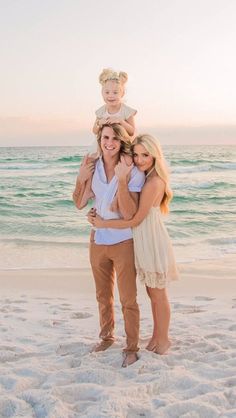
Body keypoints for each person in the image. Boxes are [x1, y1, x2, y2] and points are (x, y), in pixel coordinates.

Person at [88, 134, 179, 355]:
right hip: (144, 236)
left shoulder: (154, 182)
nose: (139, 160)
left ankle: (163, 339)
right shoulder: (147, 177)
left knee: (157, 292)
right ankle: (157, 336)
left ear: (155, 155)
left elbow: (135, 219)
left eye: (145, 155)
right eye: (136, 154)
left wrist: (103, 222)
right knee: (152, 291)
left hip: (150, 237)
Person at [73, 124, 145, 367]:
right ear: (99, 139)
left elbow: (129, 212)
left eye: (115, 138)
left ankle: (132, 347)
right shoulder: (92, 167)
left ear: (122, 140)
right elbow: (79, 203)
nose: (110, 142)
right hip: (97, 240)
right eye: (105, 137)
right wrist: (81, 178)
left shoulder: (132, 170)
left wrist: (122, 181)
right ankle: (106, 337)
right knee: (103, 296)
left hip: (124, 241)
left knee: (128, 298)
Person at [78, 68, 137, 210]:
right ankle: (87, 190)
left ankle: (118, 195)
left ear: (122, 93)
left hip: (121, 143)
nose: (111, 96)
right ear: (102, 93)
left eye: (115, 92)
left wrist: (120, 121)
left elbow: (132, 131)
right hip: (103, 142)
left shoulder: (126, 110)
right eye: (107, 92)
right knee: (88, 160)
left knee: (126, 162)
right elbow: (94, 130)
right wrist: (100, 123)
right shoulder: (101, 111)